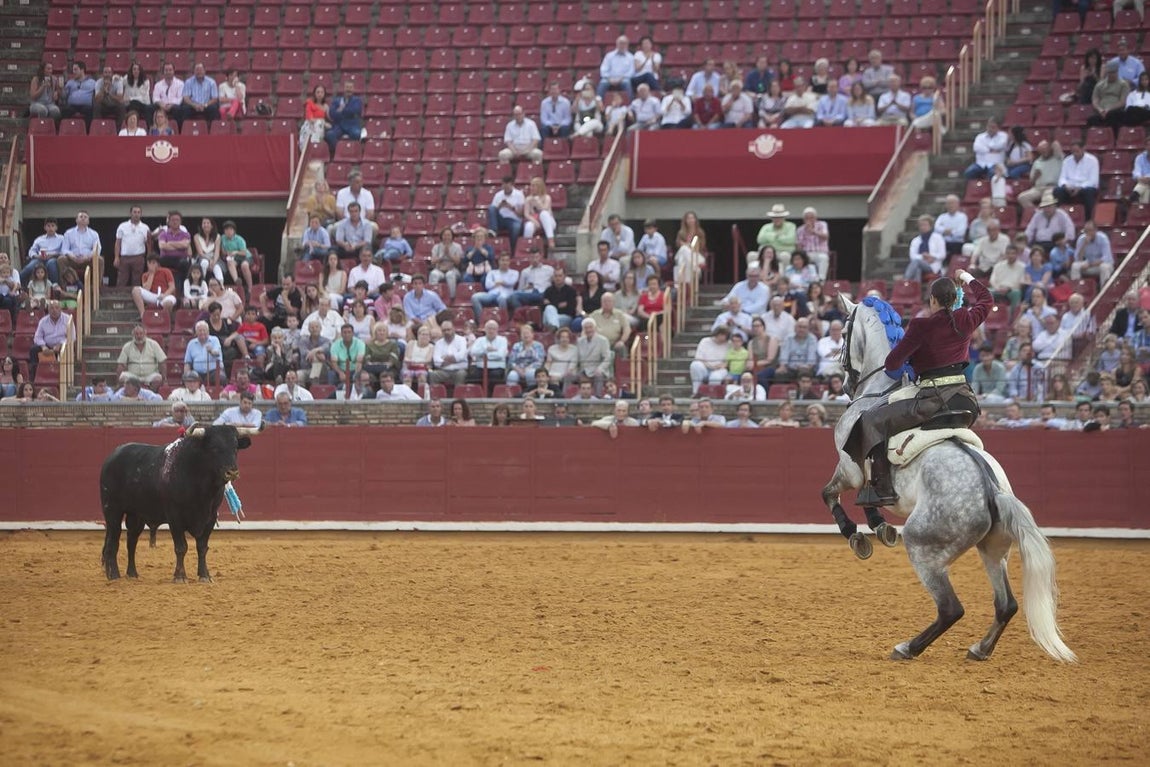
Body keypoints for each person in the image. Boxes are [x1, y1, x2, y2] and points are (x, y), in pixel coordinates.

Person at [850, 271, 991, 506]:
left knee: (871, 420)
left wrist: (912, 361)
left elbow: (892, 363)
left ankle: (881, 488)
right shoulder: (965, 320)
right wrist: (966, 276)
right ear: (954, 298)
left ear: (933, 300)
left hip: (932, 402)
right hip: (966, 402)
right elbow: (987, 299)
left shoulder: (921, 326)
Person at [325, 80, 363, 156]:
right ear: (343, 88)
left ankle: (352, 153)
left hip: (352, 125)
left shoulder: (357, 100)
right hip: (338, 125)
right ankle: (339, 152)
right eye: (347, 87)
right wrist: (346, 112)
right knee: (330, 135)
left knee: (357, 134)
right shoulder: (336, 100)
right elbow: (332, 113)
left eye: (350, 87)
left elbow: (355, 111)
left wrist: (341, 110)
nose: (348, 89)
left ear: (353, 89)